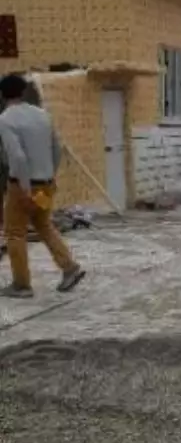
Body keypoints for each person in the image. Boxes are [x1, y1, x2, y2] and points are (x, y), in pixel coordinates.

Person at [0, 75, 86, 299]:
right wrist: (50, 177)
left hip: (21, 185)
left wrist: (25, 187)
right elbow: (57, 149)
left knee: (14, 232)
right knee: (43, 224)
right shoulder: (42, 115)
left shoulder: (6, 119)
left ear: (3, 94)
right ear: (23, 91)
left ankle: (21, 285)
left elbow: (17, 157)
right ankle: (69, 267)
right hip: (45, 184)